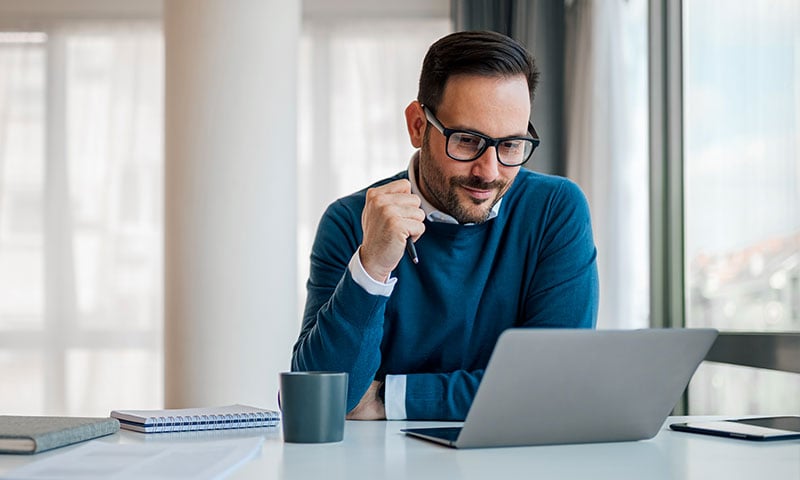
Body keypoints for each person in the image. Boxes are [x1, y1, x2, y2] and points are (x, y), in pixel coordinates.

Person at [291, 30, 598, 421]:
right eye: (468, 140)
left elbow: (555, 386)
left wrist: (390, 398)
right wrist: (372, 268)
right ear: (418, 125)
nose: (489, 172)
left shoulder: (555, 209)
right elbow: (316, 399)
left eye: (511, 145)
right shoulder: (350, 221)